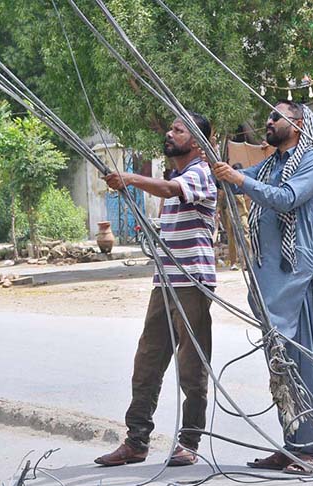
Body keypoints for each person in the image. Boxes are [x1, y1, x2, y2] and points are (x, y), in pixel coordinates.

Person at [211, 101, 313, 475]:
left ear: (296, 125)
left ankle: (312, 450)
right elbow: (246, 179)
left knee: (305, 363)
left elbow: (285, 198)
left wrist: (239, 179)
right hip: (269, 280)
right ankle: (292, 442)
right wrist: (223, 172)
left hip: (299, 276)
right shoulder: (272, 163)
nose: (268, 121)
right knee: (280, 364)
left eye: (275, 116)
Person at [95, 112, 217, 468]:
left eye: (179, 129)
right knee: (147, 362)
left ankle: (189, 441)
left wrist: (130, 179)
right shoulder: (178, 174)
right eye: (171, 127)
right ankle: (136, 441)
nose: (169, 132)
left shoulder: (201, 174)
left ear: (197, 141)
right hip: (164, 283)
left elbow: (170, 190)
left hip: (192, 282)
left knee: (192, 367)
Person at [216, 163, 250, 270]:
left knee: (245, 234)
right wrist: (217, 210)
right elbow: (221, 196)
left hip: (242, 212)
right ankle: (233, 263)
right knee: (232, 237)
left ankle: (246, 262)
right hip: (230, 211)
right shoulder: (227, 183)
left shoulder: (243, 181)